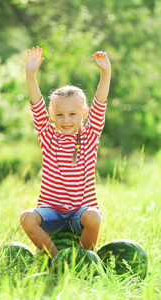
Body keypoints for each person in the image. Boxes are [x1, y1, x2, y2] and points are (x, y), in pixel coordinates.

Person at [20, 46, 111, 258]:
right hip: (51, 213)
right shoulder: (48, 136)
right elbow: (36, 104)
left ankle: (83, 258)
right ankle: (56, 259)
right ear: (52, 115)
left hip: (81, 214)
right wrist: (30, 74)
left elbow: (100, 103)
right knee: (26, 217)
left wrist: (105, 72)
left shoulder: (90, 136)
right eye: (59, 114)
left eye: (72, 114)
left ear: (84, 113)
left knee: (94, 217)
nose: (66, 120)